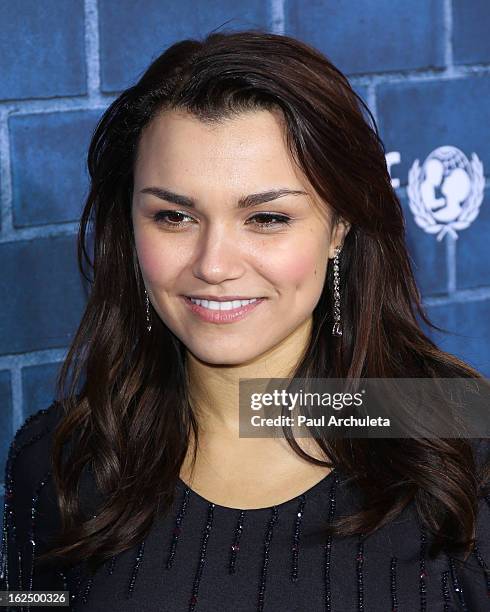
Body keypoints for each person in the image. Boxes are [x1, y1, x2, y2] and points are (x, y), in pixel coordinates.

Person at [1, 30, 489, 612]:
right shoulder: (58, 459)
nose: (213, 265)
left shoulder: (462, 445)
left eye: (266, 218)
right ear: (129, 227)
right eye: (174, 216)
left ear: (339, 229)